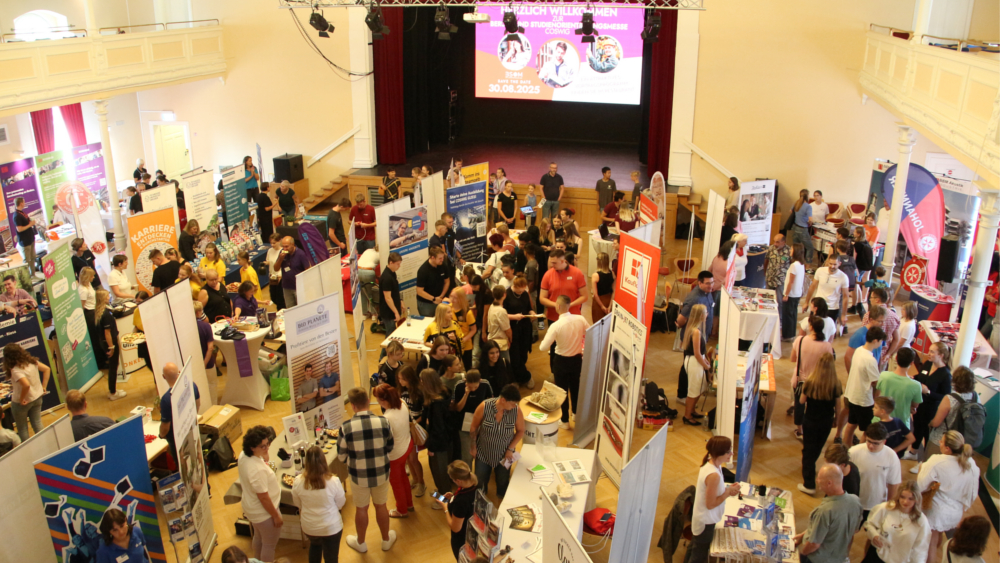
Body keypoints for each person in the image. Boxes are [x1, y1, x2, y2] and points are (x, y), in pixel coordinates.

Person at [338, 388, 397, 553]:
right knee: (381, 506)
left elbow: (341, 456)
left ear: (352, 405)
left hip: (359, 475)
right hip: (381, 472)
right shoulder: (384, 422)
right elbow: (390, 447)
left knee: (361, 508)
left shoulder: (346, 427)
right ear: (368, 401)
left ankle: (361, 542)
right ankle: (386, 540)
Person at [917, 431, 980, 563]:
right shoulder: (971, 464)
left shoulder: (937, 461)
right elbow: (973, 492)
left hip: (936, 510)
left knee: (930, 544)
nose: (939, 442)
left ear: (947, 448)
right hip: (956, 511)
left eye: (941, 441)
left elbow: (920, 485)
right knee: (937, 536)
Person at [686, 436, 741, 563]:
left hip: (702, 519)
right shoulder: (713, 475)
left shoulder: (713, 464)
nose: (731, 454)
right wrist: (727, 493)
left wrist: (727, 490)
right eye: (728, 452)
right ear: (719, 453)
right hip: (706, 521)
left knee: (694, 549)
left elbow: (714, 492)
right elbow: (710, 504)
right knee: (698, 556)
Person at [794, 464, 863, 563]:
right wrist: (803, 535)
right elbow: (852, 530)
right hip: (839, 557)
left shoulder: (824, 511)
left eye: (819, 478)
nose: (817, 480)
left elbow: (814, 544)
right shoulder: (855, 501)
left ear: (829, 483)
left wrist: (803, 553)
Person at [539, 295, 589, 429]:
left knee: (562, 391)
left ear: (558, 306)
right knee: (575, 387)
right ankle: (576, 414)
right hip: (577, 359)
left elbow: (543, 347)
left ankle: (565, 421)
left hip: (561, 361)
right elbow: (590, 333)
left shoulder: (556, 325)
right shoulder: (580, 319)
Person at [797, 353, 842, 494]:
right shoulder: (835, 384)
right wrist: (836, 420)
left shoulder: (810, 382)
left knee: (808, 450)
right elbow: (839, 408)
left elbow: (801, 401)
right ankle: (810, 468)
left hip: (810, 420)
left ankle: (809, 484)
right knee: (817, 447)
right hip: (826, 421)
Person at [292, 446, 346, 563]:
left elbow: (297, 503)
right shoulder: (334, 481)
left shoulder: (298, 481)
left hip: (310, 527)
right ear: (323, 461)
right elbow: (341, 502)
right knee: (331, 558)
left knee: (315, 547)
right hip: (331, 527)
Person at [469, 383, 524, 498]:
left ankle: (502, 501)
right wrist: (473, 447)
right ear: (503, 400)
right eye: (513, 403)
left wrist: (511, 448)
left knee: (503, 481)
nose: (515, 406)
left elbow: (520, 431)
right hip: (483, 453)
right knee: (480, 482)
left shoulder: (516, 411)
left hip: (505, 455)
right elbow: (473, 427)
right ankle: (480, 503)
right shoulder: (484, 406)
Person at [903, 342, 952, 468]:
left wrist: (929, 392)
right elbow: (920, 378)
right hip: (920, 405)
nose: (928, 354)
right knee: (917, 428)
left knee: (927, 435)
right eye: (929, 350)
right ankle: (913, 452)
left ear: (941, 355)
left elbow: (945, 397)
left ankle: (924, 463)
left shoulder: (945, 374)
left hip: (932, 409)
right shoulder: (928, 364)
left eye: (932, 352)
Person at [239, 425, 283, 562]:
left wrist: (264, 453)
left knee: (258, 538)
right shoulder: (257, 470)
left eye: (267, 443)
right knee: (269, 545)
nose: (267, 448)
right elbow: (263, 497)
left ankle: (256, 560)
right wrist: (275, 516)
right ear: (253, 447)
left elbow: (264, 459)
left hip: (251, 508)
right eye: (263, 446)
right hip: (264, 514)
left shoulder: (244, 455)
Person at [861, 481, 930, 563]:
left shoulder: (921, 521)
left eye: (910, 499)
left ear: (916, 500)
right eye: (902, 497)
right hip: (878, 557)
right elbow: (869, 524)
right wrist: (874, 535)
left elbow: (920, 550)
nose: (905, 502)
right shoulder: (886, 508)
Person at [373, 384, 413, 519]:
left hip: (395, 454)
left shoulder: (387, 418)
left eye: (378, 400)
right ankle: (409, 504)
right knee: (403, 477)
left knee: (396, 483)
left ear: (384, 400)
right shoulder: (402, 403)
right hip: (407, 445)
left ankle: (402, 510)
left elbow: (384, 441)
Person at [791, 317, 835, 439]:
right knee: (813, 407)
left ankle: (800, 430)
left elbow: (793, 359)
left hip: (800, 379)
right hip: (818, 381)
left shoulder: (800, 340)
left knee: (799, 404)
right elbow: (829, 365)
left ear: (810, 327)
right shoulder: (827, 345)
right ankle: (811, 428)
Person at [841, 326, 886, 445]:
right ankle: (860, 451)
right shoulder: (869, 359)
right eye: (881, 341)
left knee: (851, 424)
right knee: (868, 430)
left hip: (853, 394)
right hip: (863, 399)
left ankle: (847, 448)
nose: (881, 344)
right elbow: (876, 382)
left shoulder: (859, 350)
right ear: (875, 340)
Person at [849, 422, 902, 520]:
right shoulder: (853, 452)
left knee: (874, 533)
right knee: (850, 531)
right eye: (868, 441)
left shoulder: (891, 456)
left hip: (878, 505)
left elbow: (893, 484)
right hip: (855, 503)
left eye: (876, 443)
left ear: (884, 442)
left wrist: (889, 506)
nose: (871, 446)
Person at [926, 367, 979, 458]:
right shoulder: (975, 396)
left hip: (943, 440)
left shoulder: (949, 398)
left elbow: (936, 422)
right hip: (962, 441)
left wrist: (930, 423)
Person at [4, 342, 50, 441]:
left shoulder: (15, 370)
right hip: (37, 397)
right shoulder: (32, 362)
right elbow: (47, 369)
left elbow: (26, 385)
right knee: (37, 423)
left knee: (22, 429)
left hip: (21, 403)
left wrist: (21, 399)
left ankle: (28, 452)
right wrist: (44, 386)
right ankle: (45, 445)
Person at [435, 460, 479, 561]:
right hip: (475, 533)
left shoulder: (461, 502)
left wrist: (445, 508)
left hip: (462, 540)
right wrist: (453, 496)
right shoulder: (476, 485)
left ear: (458, 481)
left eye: (452, 479)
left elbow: (456, 528)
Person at [679, 304, 713, 427]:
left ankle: (692, 411)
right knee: (693, 390)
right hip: (694, 362)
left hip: (696, 361)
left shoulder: (694, 328)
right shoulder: (696, 332)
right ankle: (687, 416)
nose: (707, 315)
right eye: (706, 313)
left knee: (699, 387)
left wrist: (705, 361)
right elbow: (697, 354)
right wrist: (706, 366)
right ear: (700, 315)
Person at [158, 362, 202, 455]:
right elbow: (198, 404)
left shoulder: (166, 399)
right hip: (191, 429)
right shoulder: (192, 385)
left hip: (176, 439)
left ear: (164, 376)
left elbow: (166, 426)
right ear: (179, 372)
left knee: (182, 464)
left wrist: (161, 435)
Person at [453, 369, 493, 466]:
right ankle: (467, 475)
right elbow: (458, 408)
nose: (473, 389)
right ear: (465, 381)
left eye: (475, 387)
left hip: (481, 422)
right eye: (470, 387)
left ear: (480, 380)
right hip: (464, 424)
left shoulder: (485, 384)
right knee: (467, 455)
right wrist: (466, 394)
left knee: (481, 451)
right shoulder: (459, 386)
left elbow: (491, 402)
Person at [539, 249, 588, 326]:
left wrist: (569, 305)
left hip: (573, 316)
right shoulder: (547, 275)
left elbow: (585, 296)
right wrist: (557, 305)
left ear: (562, 261)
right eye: (551, 263)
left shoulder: (577, 273)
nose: (552, 265)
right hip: (554, 318)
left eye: (554, 263)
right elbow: (542, 298)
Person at [397, 366, 426, 497]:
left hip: (414, 427)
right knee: (408, 458)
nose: (400, 381)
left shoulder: (419, 393)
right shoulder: (403, 392)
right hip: (405, 428)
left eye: (402, 379)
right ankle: (414, 479)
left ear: (409, 379)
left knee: (414, 458)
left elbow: (424, 414)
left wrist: (413, 424)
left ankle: (421, 483)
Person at [93, 289, 126, 401]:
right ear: (103, 298)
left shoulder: (98, 312)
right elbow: (107, 333)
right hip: (109, 343)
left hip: (103, 342)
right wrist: (112, 347)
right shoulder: (105, 314)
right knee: (113, 367)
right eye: (107, 296)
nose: (109, 297)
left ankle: (113, 390)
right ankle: (113, 392)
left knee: (113, 366)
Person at [876, 348, 922, 429]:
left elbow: (877, 394)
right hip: (900, 424)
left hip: (880, 419)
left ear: (896, 358)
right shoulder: (916, 385)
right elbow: (915, 405)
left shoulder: (883, 375)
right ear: (911, 363)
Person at [504, 276, 535, 387]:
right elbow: (502, 314)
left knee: (523, 352)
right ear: (515, 286)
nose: (521, 292)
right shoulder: (507, 295)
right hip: (513, 328)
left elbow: (528, 308)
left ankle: (519, 376)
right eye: (519, 289)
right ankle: (525, 377)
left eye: (523, 289)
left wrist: (532, 313)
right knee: (514, 355)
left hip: (525, 328)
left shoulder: (525, 294)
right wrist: (514, 316)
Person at [803, 257, 850, 327]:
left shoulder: (843, 277)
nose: (832, 266)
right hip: (817, 306)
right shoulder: (820, 271)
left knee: (829, 330)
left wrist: (844, 315)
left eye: (835, 264)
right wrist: (806, 302)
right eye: (830, 263)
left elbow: (846, 297)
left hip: (832, 308)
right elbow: (812, 287)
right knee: (812, 327)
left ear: (839, 264)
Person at [846, 305, 887, 373]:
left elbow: (879, 353)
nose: (883, 324)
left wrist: (878, 371)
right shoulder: (859, 335)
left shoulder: (880, 333)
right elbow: (848, 357)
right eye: (880, 321)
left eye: (884, 321)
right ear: (871, 320)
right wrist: (851, 374)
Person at [274, 236, 310, 308]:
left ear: (292, 244)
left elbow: (307, 270)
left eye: (287, 246)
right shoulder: (282, 253)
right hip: (286, 287)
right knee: (290, 309)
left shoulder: (301, 254)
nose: (285, 249)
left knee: (301, 308)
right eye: (283, 246)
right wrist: (280, 259)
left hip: (298, 287)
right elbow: (276, 268)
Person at [193, 301, 218, 403]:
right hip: (207, 363)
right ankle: (213, 407)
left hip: (193, 364)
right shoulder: (206, 326)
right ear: (199, 312)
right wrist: (205, 363)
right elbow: (210, 348)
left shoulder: (185, 328)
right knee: (211, 384)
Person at [417, 247, 451, 317]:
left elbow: (447, 282)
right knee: (429, 324)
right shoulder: (423, 270)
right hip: (426, 303)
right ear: (432, 257)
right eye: (440, 258)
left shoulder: (443, 265)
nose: (442, 260)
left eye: (443, 257)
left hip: (440, 300)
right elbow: (419, 291)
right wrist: (434, 299)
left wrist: (441, 296)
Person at [782, 243, 807, 340]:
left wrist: (786, 294)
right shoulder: (801, 264)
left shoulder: (794, 265)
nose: (790, 251)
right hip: (797, 293)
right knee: (793, 314)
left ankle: (787, 335)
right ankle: (791, 334)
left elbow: (790, 281)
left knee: (787, 315)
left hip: (791, 294)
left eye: (791, 249)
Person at [448, 288, 476, 369]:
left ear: (461, 298)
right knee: (451, 366)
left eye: (455, 297)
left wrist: (463, 340)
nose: (452, 299)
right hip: (452, 344)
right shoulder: (448, 309)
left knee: (468, 367)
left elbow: (474, 330)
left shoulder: (467, 312)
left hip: (465, 345)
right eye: (451, 296)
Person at [13, 197, 37, 274]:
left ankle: (33, 275)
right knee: (27, 260)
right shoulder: (17, 215)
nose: (25, 203)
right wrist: (30, 224)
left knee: (32, 257)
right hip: (25, 241)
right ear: (21, 203)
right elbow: (19, 229)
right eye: (24, 202)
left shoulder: (22, 213)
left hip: (30, 239)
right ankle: (27, 277)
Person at [790, 189, 815, 265]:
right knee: (810, 247)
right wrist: (809, 222)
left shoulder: (797, 203)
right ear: (807, 196)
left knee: (796, 246)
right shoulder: (808, 206)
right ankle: (808, 264)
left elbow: (791, 211)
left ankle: (794, 261)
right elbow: (810, 219)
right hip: (802, 229)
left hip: (795, 228)